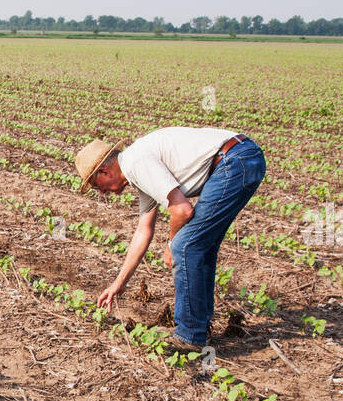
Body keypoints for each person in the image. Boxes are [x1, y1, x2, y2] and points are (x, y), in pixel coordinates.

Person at [75, 128, 266, 349]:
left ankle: (191, 336)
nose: (102, 193)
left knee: (185, 245)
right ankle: (198, 328)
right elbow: (143, 231)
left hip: (235, 161)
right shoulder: (137, 169)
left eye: (97, 186)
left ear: (104, 172)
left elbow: (182, 210)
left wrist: (171, 244)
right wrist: (119, 284)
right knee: (199, 245)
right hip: (242, 157)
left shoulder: (136, 163)